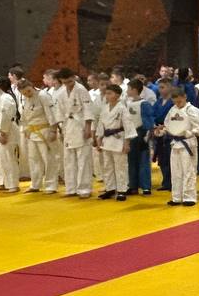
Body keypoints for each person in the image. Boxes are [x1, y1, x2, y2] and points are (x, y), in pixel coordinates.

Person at [56, 68, 95, 199]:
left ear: (74, 77)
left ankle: (84, 189)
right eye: (65, 82)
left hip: (81, 125)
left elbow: (88, 109)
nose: (68, 84)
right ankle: (71, 188)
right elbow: (59, 112)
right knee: (68, 160)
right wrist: (61, 129)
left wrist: (88, 127)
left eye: (70, 81)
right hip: (68, 126)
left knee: (83, 159)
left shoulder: (81, 90)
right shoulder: (61, 92)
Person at [17, 79, 57, 194]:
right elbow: (24, 116)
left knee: (48, 159)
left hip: (45, 130)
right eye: (24, 93)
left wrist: (53, 130)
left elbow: (51, 114)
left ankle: (51, 185)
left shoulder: (43, 96)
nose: (27, 94)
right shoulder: (25, 99)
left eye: (28, 91)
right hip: (32, 132)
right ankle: (35, 184)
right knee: (33, 159)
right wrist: (26, 130)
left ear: (32, 86)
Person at [94, 83, 131, 201]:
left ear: (118, 95)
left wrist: (127, 143)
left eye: (110, 93)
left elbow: (128, 126)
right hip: (106, 140)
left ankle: (122, 190)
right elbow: (101, 125)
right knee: (107, 166)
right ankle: (110, 188)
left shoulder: (122, 108)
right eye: (106, 93)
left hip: (119, 139)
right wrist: (98, 139)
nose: (107, 96)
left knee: (121, 166)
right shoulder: (105, 108)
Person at [0, 78, 20, 193]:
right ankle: (3, 182)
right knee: (1, 158)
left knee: (9, 158)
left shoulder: (6, 98)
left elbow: (6, 116)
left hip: (7, 129)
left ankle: (13, 184)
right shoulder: (2, 97)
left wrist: (3, 132)